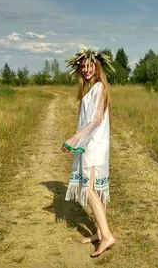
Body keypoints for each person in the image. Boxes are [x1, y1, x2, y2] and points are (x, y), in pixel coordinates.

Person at [62, 49, 116, 257]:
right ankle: (98, 232)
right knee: (97, 192)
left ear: (97, 66)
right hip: (92, 144)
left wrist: (74, 140)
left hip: (94, 146)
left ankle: (107, 236)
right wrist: (77, 141)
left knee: (90, 190)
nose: (86, 69)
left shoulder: (100, 87)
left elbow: (96, 120)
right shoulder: (92, 89)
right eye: (83, 66)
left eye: (89, 65)